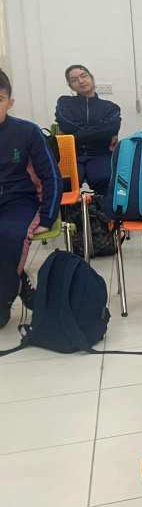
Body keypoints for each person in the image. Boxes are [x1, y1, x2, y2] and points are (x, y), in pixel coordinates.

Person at [0, 69, 60, 328]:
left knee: (9, 235)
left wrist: (47, 216)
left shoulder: (27, 132)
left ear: (10, 102)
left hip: (19, 201)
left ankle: (4, 299)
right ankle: (17, 280)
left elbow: (52, 176)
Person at [55, 64, 121, 195]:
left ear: (91, 78)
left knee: (106, 179)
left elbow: (109, 130)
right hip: (72, 155)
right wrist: (98, 131)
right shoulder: (64, 103)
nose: (81, 81)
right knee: (64, 183)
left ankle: (103, 208)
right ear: (70, 86)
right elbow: (66, 126)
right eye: (74, 80)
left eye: (83, 76)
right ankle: (72, 209)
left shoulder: (110, 107)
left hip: (100, 154)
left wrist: (76, 134)